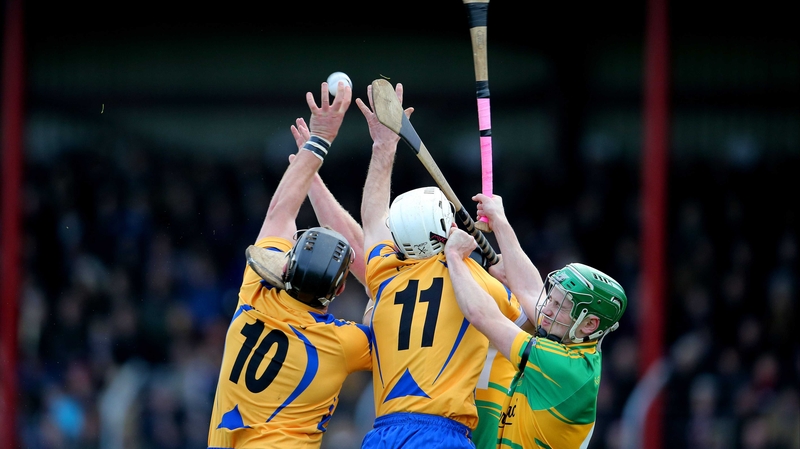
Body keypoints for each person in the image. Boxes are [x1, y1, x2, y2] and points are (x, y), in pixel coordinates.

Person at [356, 82, 525, 448]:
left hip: (382, 433)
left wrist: (383, 148)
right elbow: (528, 311)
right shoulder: (476, 282)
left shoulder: (384, 275)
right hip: (440, 434)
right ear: (445, 230)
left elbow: (371, 220)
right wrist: (501, 264)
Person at [207, 81, 373, 449]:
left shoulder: (255, 293)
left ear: (286, 267)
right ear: (341, 289)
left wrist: (319, 141)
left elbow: (279, 211)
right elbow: (381, 280)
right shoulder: (344, 342)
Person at [444, 193, 628, 448]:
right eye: (553, 299)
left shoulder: (565, 368)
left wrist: (454, 256)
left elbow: (482, 315)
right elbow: (531, 291)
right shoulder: (570, 336)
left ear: (589, 325)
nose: (548, 310)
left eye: (560, 306)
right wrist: (500, 221)